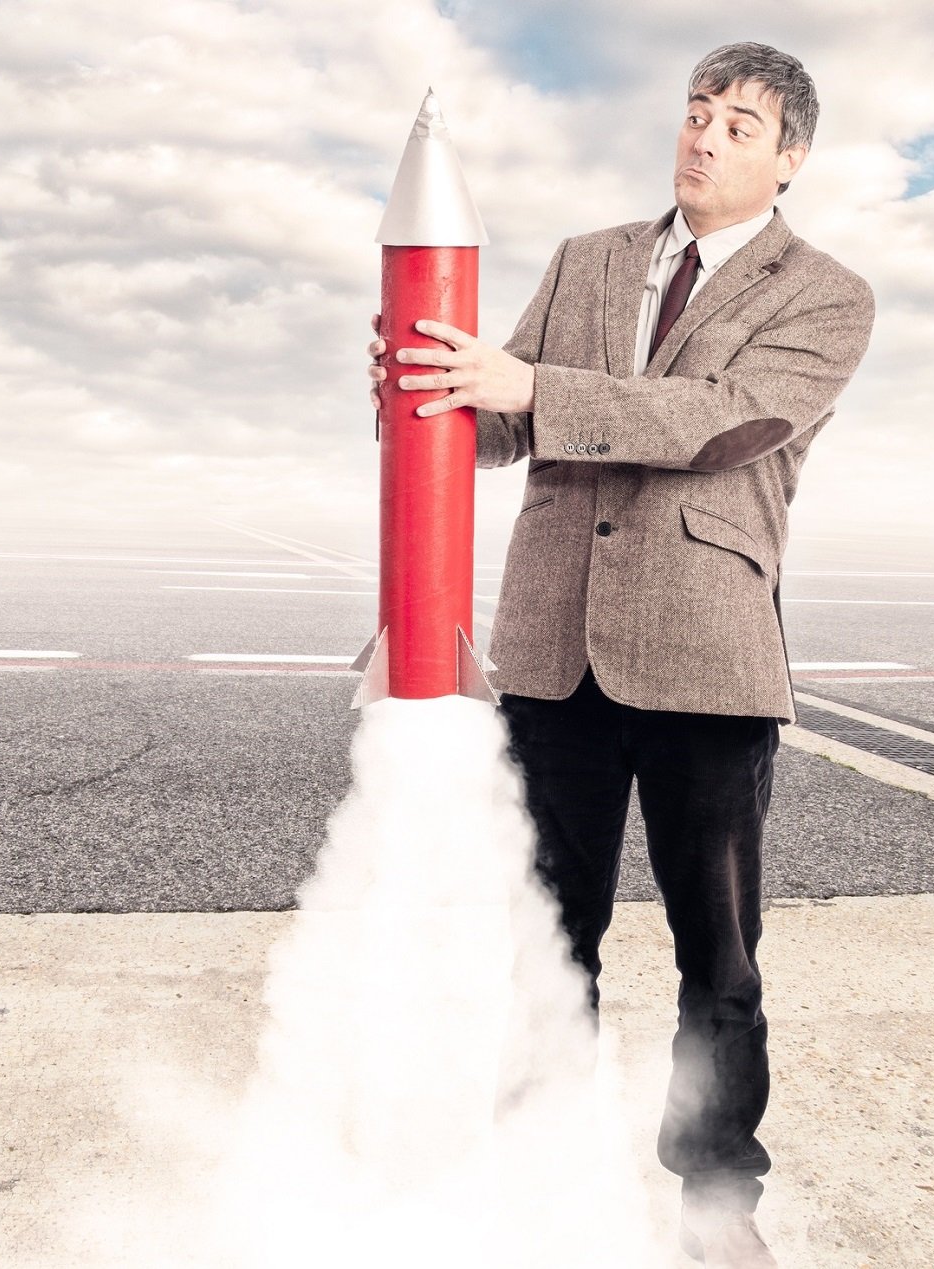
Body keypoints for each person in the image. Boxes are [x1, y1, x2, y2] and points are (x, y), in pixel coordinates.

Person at [365, 42, 875, 1269]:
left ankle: (715, 1203)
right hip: (552, 652)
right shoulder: (586, 259)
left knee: (719, 961)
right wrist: (423, 384)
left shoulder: (826, 295)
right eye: (696, 112)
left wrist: (527, 380)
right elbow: (500, 428)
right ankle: (537, 1185)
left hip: (705, 656)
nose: (702, 136)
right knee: (546, 942)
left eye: (738, 126)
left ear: (787, 159)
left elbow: (719, 421)